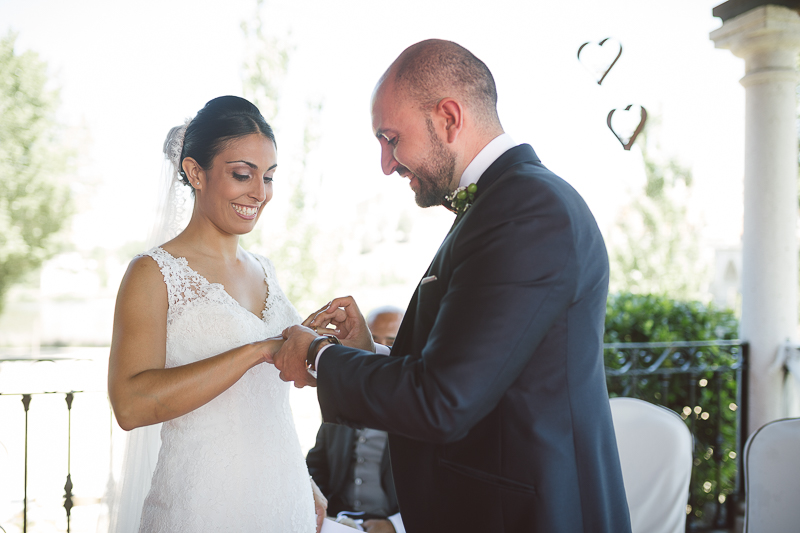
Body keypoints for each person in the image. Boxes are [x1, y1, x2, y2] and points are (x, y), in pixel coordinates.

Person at [273, 40, 632, 532]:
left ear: (447, 118)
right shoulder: (506, 204)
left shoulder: (527, 210)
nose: (386, 163)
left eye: (390, 138)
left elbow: (442, 401)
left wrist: (318, 356)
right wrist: (366, 352)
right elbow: (472, 368)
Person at [107, 96, 325, 532]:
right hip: (202, 505)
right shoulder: (153, 273)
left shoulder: (266, 269)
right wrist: (257, 350)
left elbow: (264, 407)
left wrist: (303, 481)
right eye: (242, 175)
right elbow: (130, 406)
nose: (259, 193)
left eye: (268, 177)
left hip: (284, 500)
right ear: (195, 172)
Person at [306, 306, 405, 533]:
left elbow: (437, 485)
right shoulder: (341, 398)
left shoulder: (421, 407)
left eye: (389, 342)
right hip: (337, 521)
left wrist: (395, 525)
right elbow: (317, 463)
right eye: (371, 340)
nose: (374, 351)